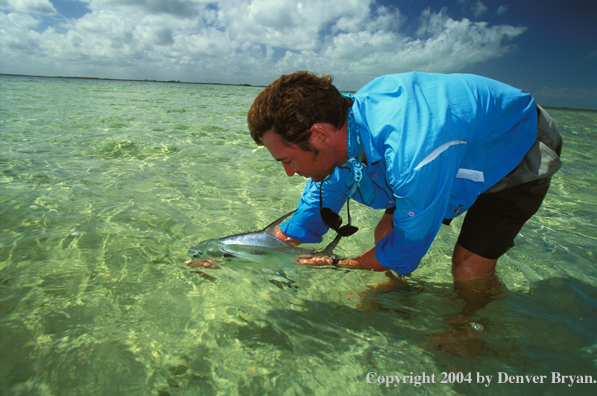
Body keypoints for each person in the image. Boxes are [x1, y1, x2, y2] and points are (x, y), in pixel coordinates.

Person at [246, 71, 563, 355]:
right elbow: (300, 225)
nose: (289, 172)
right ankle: (400, 288)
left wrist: (336, 263)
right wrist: (224, 255)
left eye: (287, 160)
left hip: (518, 144)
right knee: (386, 232)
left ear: (319, 136)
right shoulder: (344, 129)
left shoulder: (413, 156)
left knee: (468, 267)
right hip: (446, 150)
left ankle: (472, 323)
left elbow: (408, 248)